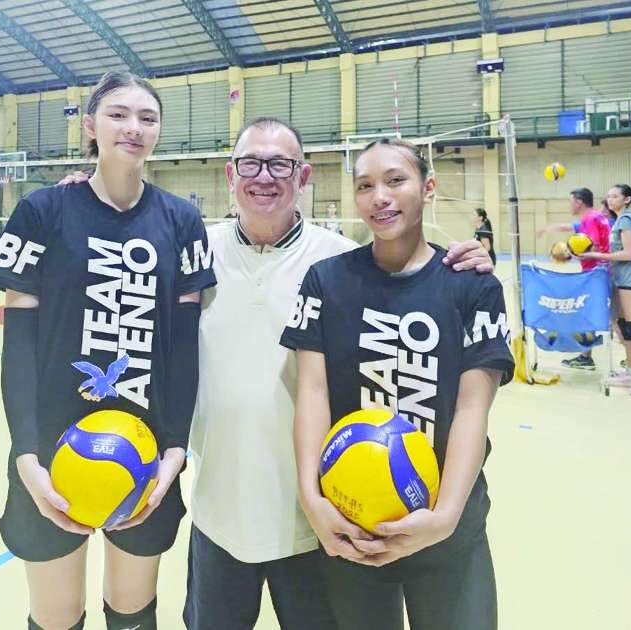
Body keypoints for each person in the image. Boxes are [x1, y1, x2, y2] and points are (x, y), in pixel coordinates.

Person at [56, 118, 494, 629]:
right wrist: (89, 197)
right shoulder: (191, 250)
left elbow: (413, 290)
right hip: (219, 514)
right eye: (250, 164)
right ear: (230, 175)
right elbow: (110, 262)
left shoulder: (340, 264)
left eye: (281, 165)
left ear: (303, 177)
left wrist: (459, 260)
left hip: (319, 522)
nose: (264, 177)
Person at [0, 71, 216, 630]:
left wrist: (175, 451)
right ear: (90, 125)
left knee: (132, 610)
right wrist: (26, 454)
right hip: (53, 451)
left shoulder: (181, 221)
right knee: (56, 615)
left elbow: (183, 350)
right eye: (118, 114)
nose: (133, 127)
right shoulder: (42, 212)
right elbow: (19, 347)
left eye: (147, 118)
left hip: (145, 451)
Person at [281, 138, 513, 629]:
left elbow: (472, 409)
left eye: (395, 180)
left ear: (428, 188)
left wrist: (445, 517)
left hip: (448, 524)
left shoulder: (473, 286)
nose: (379, 197)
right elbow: (313, 393)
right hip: (353, 524)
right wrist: (312, 500)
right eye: (365, 186)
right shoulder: (326, 281)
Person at [536, 187, 611, 370]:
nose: (569, 205)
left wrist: (568, 253)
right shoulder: (592, 217)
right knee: (591, 315)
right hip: (599, 272)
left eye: (570, 201)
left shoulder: (591, 218)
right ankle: (586, 357)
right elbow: (571, 228)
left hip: (596, 273)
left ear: (579, 202)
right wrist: (548, 228)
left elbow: (592, 247)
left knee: (597, 316)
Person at [579, 184, 631, 397]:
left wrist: (596, 256)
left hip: (630, 281)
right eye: (608, 196)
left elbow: (629, 253)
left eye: (615, 196)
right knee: (624, 327)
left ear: (627, 199)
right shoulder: (618, 220)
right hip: (619, 279)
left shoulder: (626, 219)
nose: (610, 199)